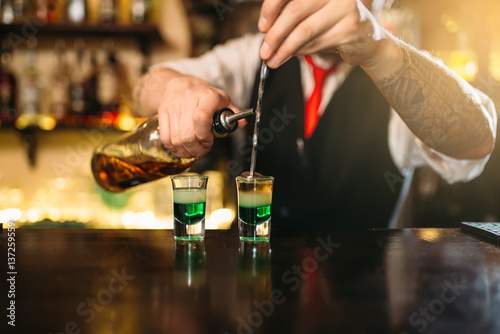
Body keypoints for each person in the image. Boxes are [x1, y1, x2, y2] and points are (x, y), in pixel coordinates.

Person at [133, 0, 497, 230]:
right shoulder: (251, 57)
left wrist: (378, 51)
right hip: (256, 296)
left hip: (363, 310)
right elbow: (144, 87)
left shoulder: (402, 75)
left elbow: (477, 140)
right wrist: (175, 90)